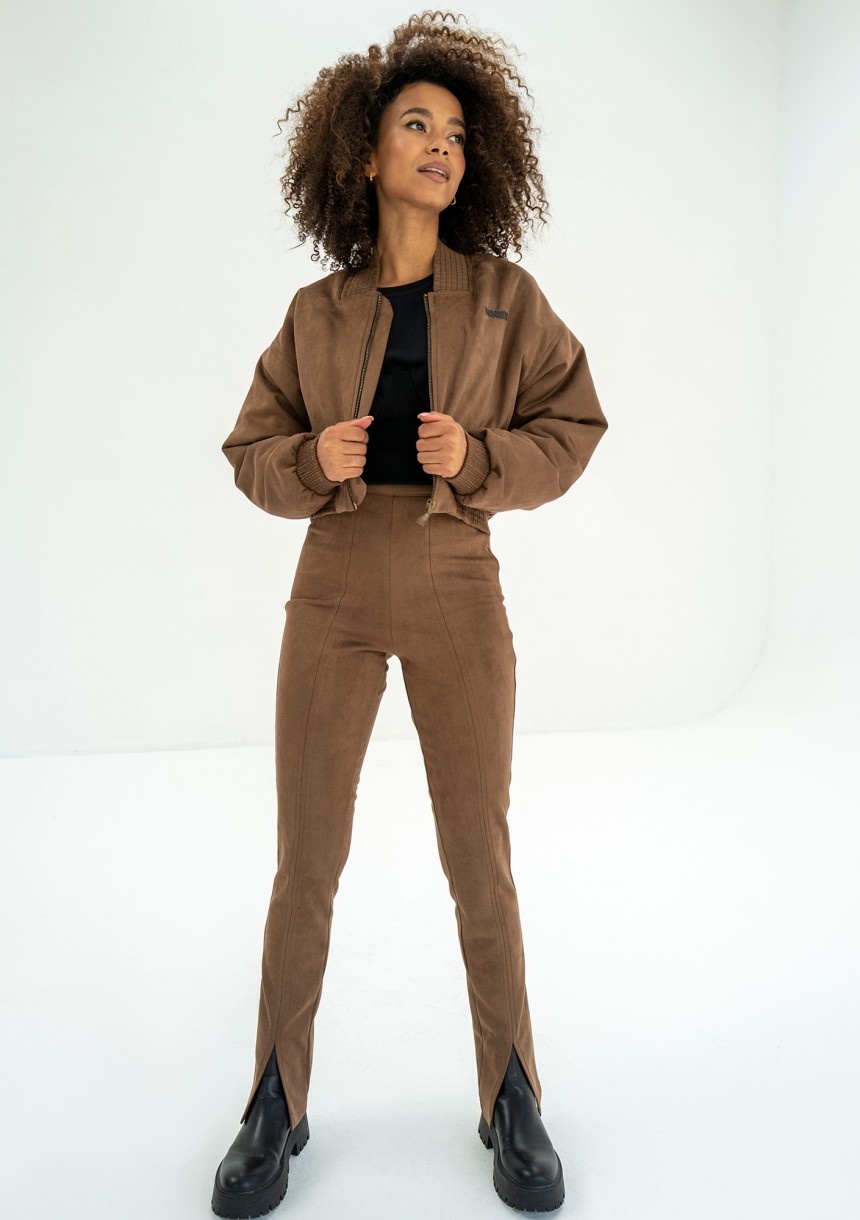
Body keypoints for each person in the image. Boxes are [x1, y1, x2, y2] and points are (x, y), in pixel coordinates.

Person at [211, 11, 608, 1216]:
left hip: (453, 576)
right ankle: (274, 1099)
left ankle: (511, 1094)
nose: (441, 146)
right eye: (416, 126)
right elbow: (249, 449)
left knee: (476, 852)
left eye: (456, 133)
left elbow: (573, 423)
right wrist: (311, 460)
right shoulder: (314, 311)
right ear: (364, 152)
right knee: (305, 860)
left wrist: (479, 458)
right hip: (331, 580)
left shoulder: (504, 299)